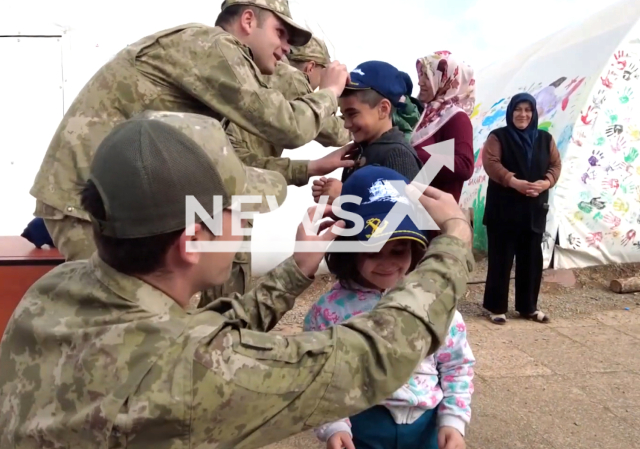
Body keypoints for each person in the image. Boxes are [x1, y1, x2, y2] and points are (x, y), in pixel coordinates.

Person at [0, 115, 475, 448]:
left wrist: (296, 269)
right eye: (236, 208)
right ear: (194, 238)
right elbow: (373, 356)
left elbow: (197, 334)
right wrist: (453, 239)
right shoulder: (192, 373)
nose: (244, 223)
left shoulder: (55, 291)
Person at [29, 0, 349, 267]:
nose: (287, 49)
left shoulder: (210, 57)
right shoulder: (214, 48)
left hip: (109, 194)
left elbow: (228, 160)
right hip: (93, 197)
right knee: (113, 314)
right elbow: (289, 128)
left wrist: (308, 167)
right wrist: (332, 91)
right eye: (281, 33)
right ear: (249, 20)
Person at [305, 166, 475, 449]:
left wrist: (454, 420)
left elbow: (457, 364)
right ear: (350, 247)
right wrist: (333, 426)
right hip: (362, 426)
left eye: (398, 250)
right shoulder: (327, 313)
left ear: (415, 247)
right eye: (373, 250)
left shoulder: (434, 300)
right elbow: (319, 377)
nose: (387, 263)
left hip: (427, 427)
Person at [225, 35, 351, 189]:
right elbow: (335, 133)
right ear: (310, 67)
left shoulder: (261, 70)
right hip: (235, 172)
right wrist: (340, 98)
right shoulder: (293, 78)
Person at [481, 92, 562, 325]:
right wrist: (512, 181)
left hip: (534, 208)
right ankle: (496, 307)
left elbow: (556, 164)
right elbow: (491, 163)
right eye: (518, 109)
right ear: (511, 112)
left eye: (528, 110)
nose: (523, 114)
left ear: (534, 113)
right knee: (501, 258)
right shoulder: (498, 137)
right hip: (503, 209)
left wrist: (545, 182)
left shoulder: (545, 139)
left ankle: (528, 307)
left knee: (531, 259)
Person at [312, 61, 423, 205]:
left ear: (383, 109)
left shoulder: (397, 155)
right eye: (344, 115)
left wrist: (343, 197)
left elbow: (399, 217)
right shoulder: (361, 151)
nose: (346, 124)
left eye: (352, 114)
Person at [410, 51, 475, 204]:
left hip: (432, 217)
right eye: (421, 75)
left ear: (446, 79)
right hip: (414, 207)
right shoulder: (427, 114)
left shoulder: (457, 118)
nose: (420, 82)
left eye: (427, 76)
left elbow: (464, 166)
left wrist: (411, 154)